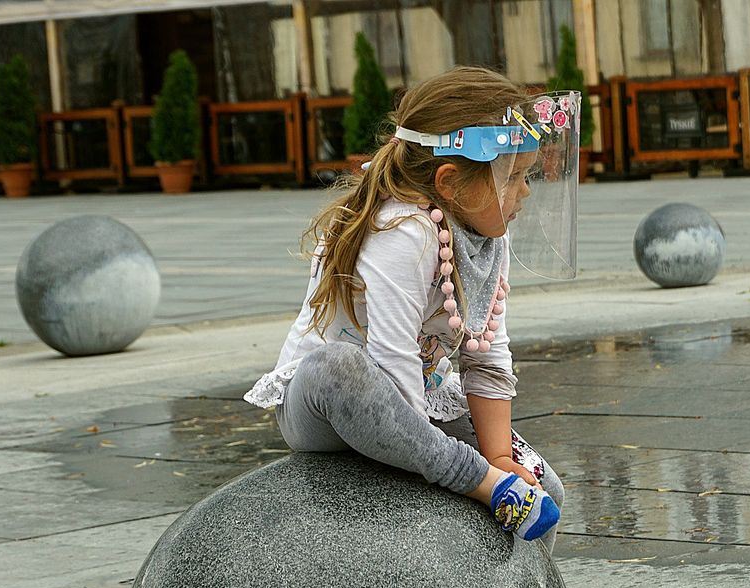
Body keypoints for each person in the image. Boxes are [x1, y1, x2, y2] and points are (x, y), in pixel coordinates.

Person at [245, 67, 582, 549]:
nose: (525, 191)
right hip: (328, 406)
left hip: (421, 398)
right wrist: (457, 469)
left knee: (544, 488)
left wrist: (500, 457)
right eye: (512, 177)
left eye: (525, 175)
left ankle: (520, 580)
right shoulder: (403, 230)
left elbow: (487, 354)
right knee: (338, 366)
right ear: (451, 182)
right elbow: (393, 358)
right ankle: (477, 481)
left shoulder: (489, 235)